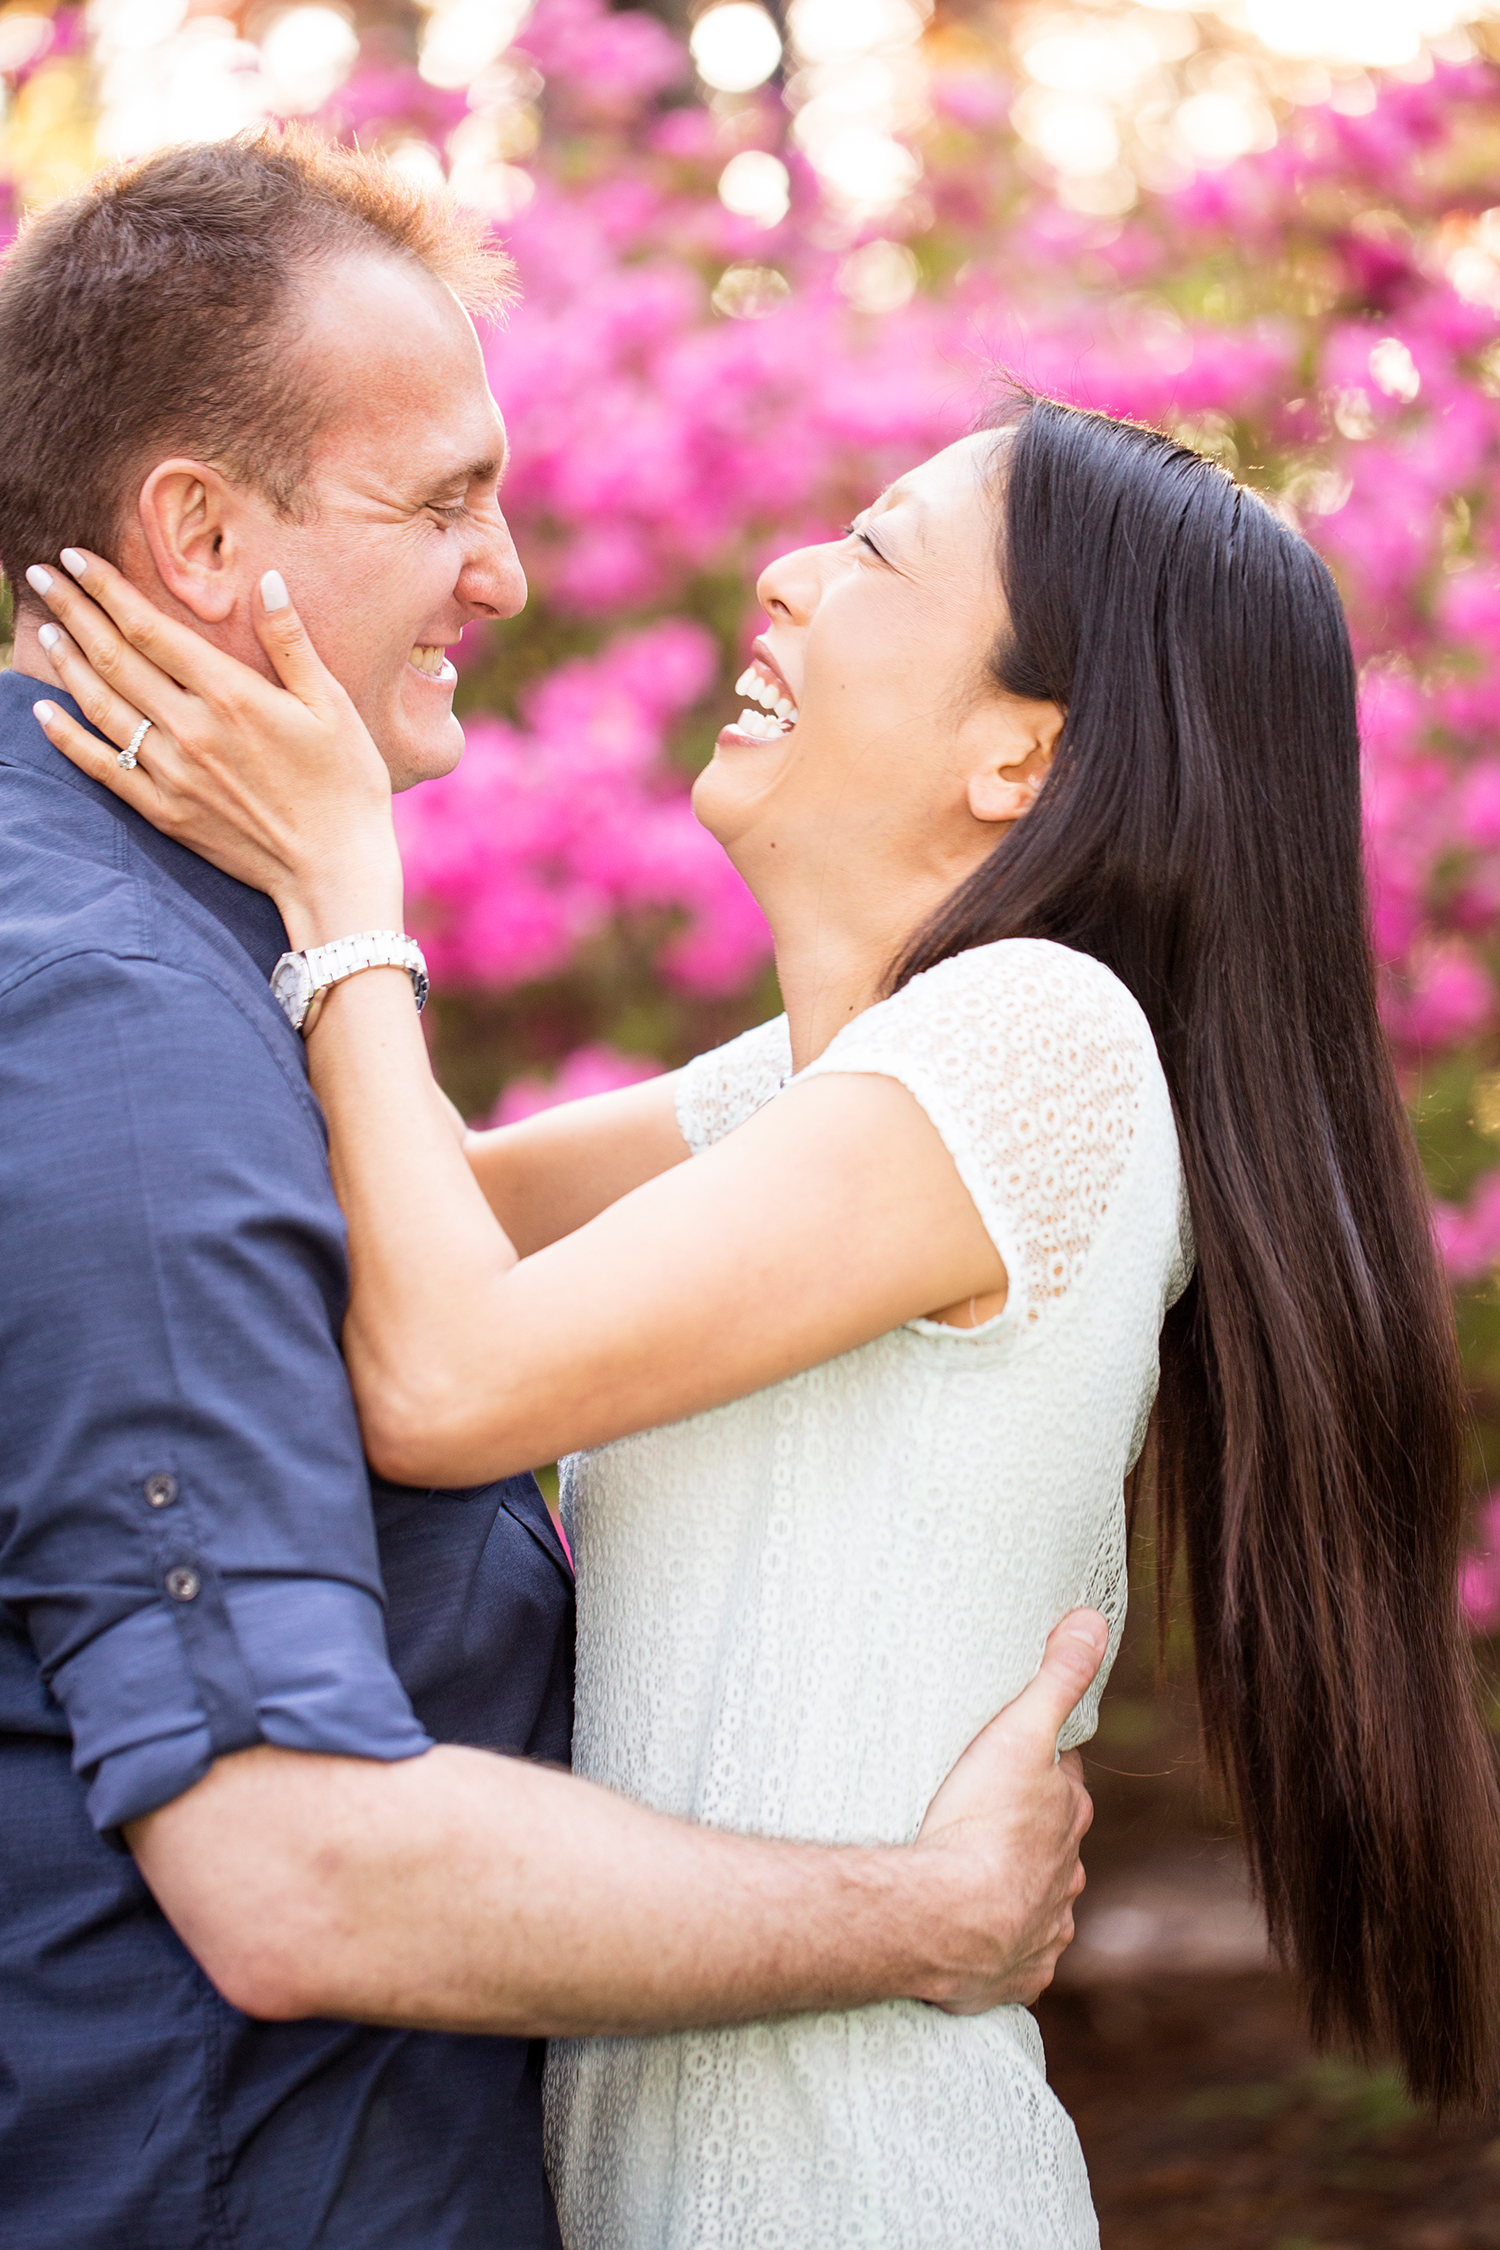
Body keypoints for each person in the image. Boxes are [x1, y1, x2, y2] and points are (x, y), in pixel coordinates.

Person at [34, 368, 1500, 2242]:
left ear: (1020, 762)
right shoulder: (803, 1096)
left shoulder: (1038, 1042)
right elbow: (369, 1218)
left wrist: (343, 884)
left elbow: (442, 1372)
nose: (787, 577)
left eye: (878, 555)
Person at [0, 133, 1104, 2250]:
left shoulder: (196, 987)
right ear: (202, 533)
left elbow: (612, 1185)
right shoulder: (120, 1031)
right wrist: (933, 1910)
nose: (504, 573)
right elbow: (294, 1866)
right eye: (439, 503)